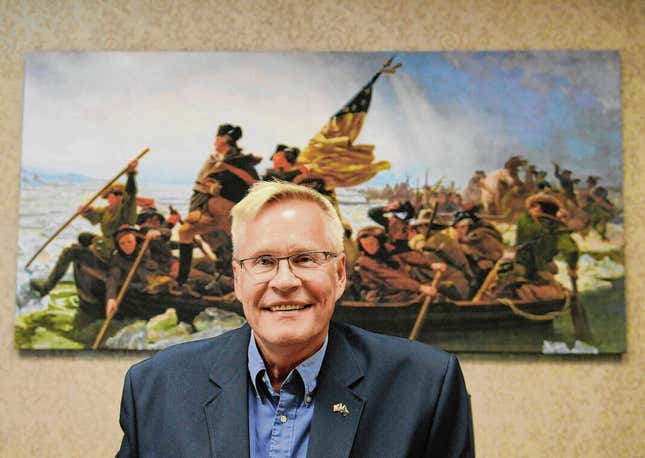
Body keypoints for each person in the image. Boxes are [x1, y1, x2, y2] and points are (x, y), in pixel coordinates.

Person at [117, 181, 473, 457]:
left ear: (340, 274)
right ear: (238, 279)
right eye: (263, 261)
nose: (284, 281)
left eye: (305, 258)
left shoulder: (425, 386)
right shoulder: (155, 388)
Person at [30, 160, 138, 297]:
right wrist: (86, 211)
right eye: (110, 196)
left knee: (70, 252)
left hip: (113, 252)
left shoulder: (125, 211)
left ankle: (46, 288)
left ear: (120, 197)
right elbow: (95, 214)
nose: (110, 198)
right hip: (104, 244)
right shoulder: (107, 211)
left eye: (115, 195)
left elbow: (131, 194)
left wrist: (131, 176)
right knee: (83, 237)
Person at [177, 124, 261, 285]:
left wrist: (226, 167)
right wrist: (210, 186)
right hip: (209, 210)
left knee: (218, 207)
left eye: (218, 138)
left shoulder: (239, 161)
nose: (214, 142)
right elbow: (202, 186)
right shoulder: (213, 161)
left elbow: (254, 183)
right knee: (185, 231)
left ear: (225, 140)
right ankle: (182, 280)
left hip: (234, 212)